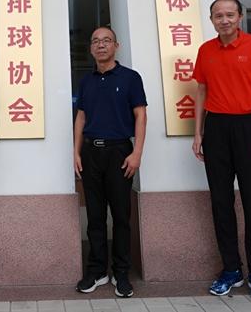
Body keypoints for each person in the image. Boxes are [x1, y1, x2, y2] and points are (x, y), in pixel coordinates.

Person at [192, 0, 251, 302]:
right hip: (216, 128)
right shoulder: (205, 50)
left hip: (250, 128)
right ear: (211, 19)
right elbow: (202, 91)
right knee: (221, 202)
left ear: (240, 17)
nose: (224, 20)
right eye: (218, 15)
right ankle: (231, 269)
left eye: (230, 14)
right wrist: (198, 132)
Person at [73, 26, 147, 298]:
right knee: (94, 216)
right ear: (91, 48)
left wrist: (137, 153)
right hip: (91, 152)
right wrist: (76, 152)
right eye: (95, 41)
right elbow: (81, 117)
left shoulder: (130, 78)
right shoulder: (86, 81)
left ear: (117, 45)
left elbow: (140, 115)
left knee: (120, 216)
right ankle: (97, 271)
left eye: (106, 40)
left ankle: (121, 272)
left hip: (119, 153)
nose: (101, 45)